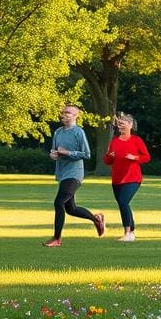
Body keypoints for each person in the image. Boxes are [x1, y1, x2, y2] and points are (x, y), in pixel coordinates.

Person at [44, 104, 105, 247]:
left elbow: (86, 154)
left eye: (68, 113)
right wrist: (53, 155)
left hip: (75, 173)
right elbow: (54, 151)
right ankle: (97, 220)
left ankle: (56, 239)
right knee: (71, 209)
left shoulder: (79, 132)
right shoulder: (58, 132)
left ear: (76, 116)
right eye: (64, 112)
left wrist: (67, 153)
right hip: (62, 173)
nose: (65, 114)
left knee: (58, 202)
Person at [103, 112, 150, 242]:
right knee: (123, 204)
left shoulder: (136, 140)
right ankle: (132, 232)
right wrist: (109, 156)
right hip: (117, 179)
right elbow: (107, 161)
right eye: (119, 124)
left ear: (130, 125)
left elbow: (146, 157)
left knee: (123, 202)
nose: (120, 126)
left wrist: (134, 157)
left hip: (132, 178)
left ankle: (127, 233)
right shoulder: (114, 141)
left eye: (122, 123)